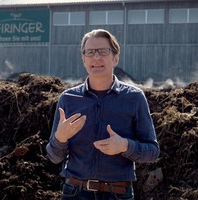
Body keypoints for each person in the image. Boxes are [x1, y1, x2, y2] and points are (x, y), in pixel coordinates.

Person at [46, 29, 160, 200]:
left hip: (118, 194)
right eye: (90, 52)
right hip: (75, 193)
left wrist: (125, 146)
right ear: (83, 59)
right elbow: (54, 157)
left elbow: (153, 151)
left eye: (103, 51)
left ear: (115, 58)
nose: (96, 57)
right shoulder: (68, 99)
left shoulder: (134, 98)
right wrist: (60, 138)